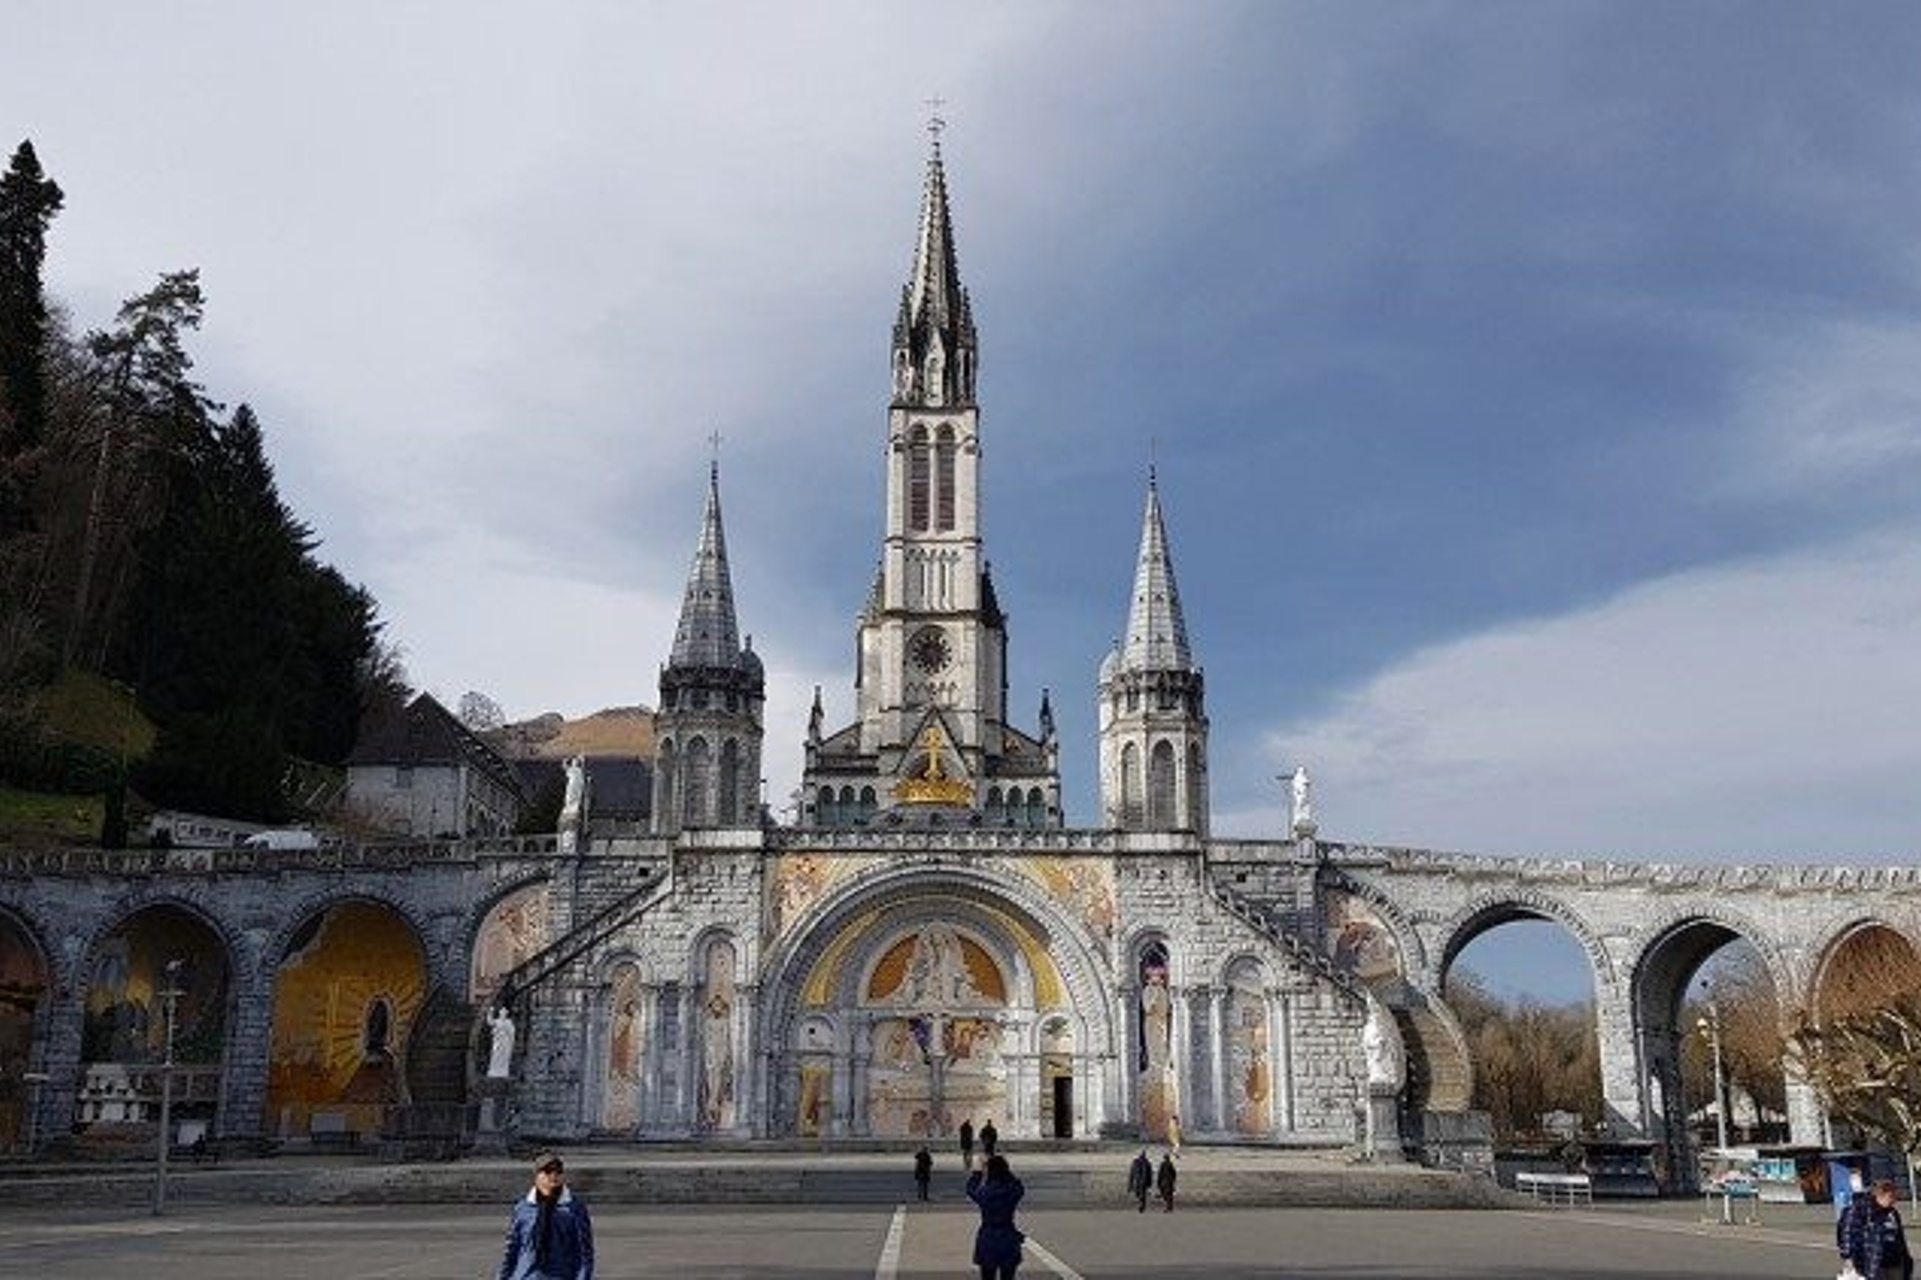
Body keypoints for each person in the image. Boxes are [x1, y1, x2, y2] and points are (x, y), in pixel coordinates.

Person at [500, 1151, 594, 1280]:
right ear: (537, 1176)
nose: (553, 1176)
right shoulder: (523, 1209)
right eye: (547, 1171)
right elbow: (512, 1249)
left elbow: (584, 1254)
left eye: (558, 1172)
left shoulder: (574, 1209)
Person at [967, 1153, 1026, 1280]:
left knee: (987, 1276)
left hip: (988, 1237)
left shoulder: (985, 1193)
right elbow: (1019, 1187)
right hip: (1008, 1235)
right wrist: (1006, 1172)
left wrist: (978, 1171)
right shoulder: (1012, 1191)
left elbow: (970, 1188)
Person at [1843, 1178, 1914, 1280]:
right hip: (1874, 1265)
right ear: (1881, 1194)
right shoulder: (1860, 1210)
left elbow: (1901, 1240)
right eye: (1892, 1196)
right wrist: (1851, 1259)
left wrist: (1907, 1261)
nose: (1895, 1200)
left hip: (1896, 1264)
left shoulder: (1893, 1212)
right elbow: (1848, 1235)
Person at [1128, 1148, 1154, 1212]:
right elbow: (1132, 1172)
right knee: (1139, 1194)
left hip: (1140, 1181)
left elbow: (1132, 1173)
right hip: (1140, 1180)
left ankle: (1142, 1205)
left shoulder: (1146, 1162)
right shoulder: (1138, 1162)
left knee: (1141, 1194)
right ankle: (1142, 1204)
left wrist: (1130, 1184)